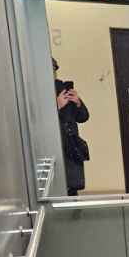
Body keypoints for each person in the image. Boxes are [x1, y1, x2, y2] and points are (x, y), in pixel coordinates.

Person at [53, 58, 90, 196]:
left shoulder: (62, 89)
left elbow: (83, 117)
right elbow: (38, 121)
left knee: (72, 186)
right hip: (53, 145)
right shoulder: (37, 92)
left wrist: (78, 102)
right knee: (56, 186)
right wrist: (57, 106)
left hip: (71, 144)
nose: (53, 74)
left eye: (55, 70)